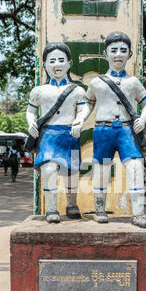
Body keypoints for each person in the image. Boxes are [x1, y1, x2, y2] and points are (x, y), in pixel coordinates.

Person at [71, 31, 146, 228]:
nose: (118, 54)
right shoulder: (96, 82)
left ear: (130, 54)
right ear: (105, 53)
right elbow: (88, 104)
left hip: (127, 130)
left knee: (135, 167)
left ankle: (138, 213)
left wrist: (142, 119)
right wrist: (80, 119)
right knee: (101, 170)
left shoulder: (133, 82)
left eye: (123, 50)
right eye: (114, 50)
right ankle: (99, 210)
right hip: (103, 130)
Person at [26, 42, 86, 223]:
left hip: (70, 135)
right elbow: (30, 111)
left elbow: (82, 110)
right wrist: (31, 123)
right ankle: (52, 210)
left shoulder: (77, 90)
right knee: (49, 170)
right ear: (44, 65)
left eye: (61, 60)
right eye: (52, 61)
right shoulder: (39, 91)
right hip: (48, 135)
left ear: (69, 63)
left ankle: (72, 205)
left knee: (72, 173)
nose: (57, 65)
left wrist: (80, 120)